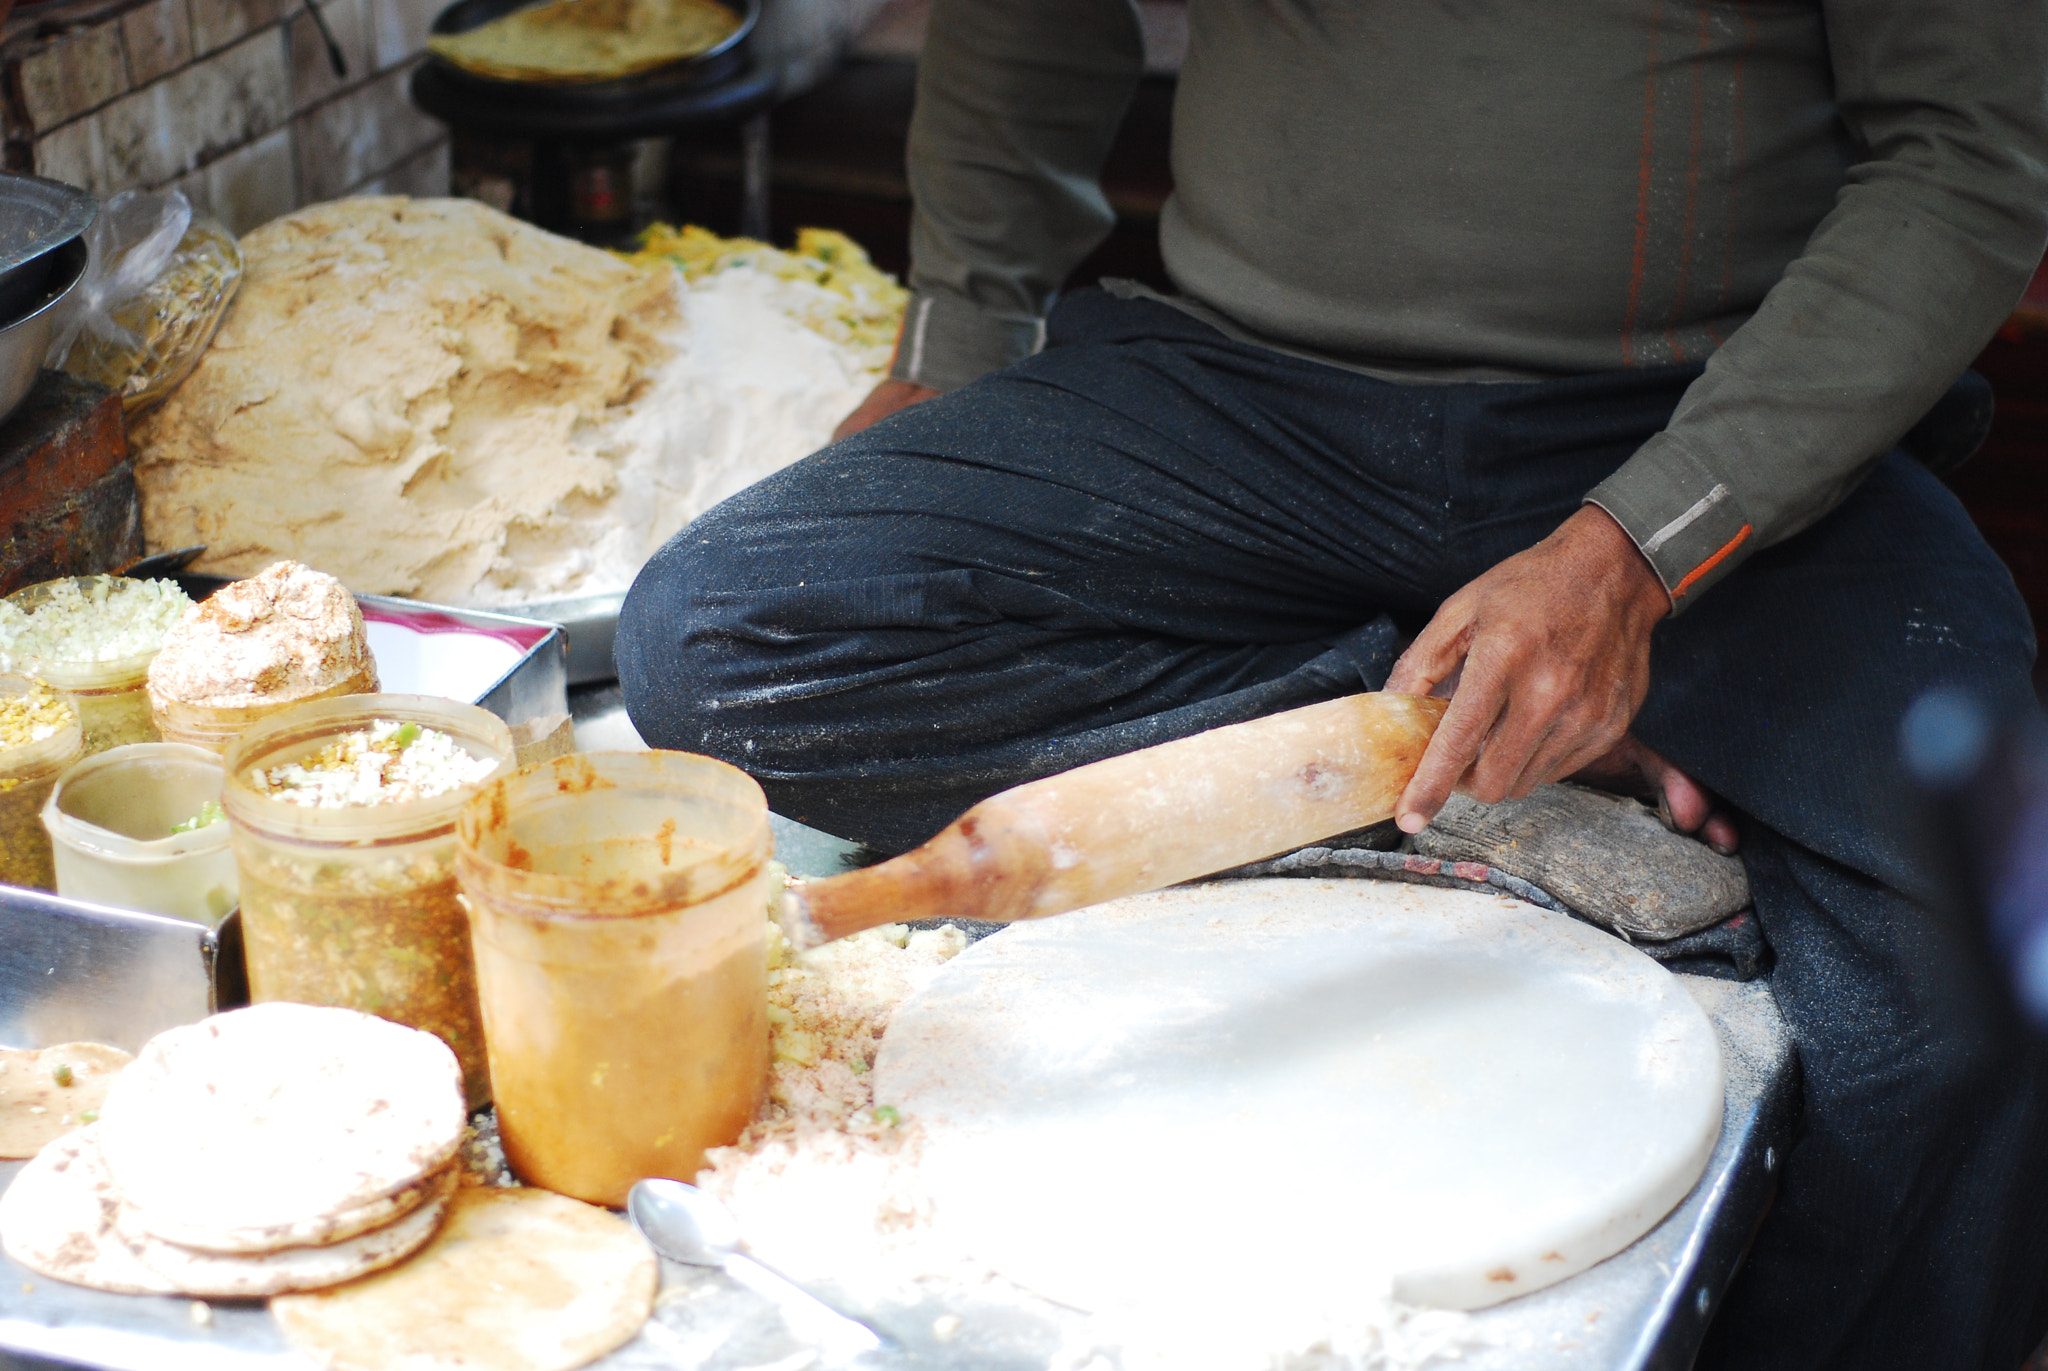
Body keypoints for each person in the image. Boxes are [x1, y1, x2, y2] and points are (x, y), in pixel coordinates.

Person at [617, 1, 2048, 1363]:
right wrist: (959, 341)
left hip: (1688, 415)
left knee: (1981, 939)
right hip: (1240, 395)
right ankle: (1428, 716)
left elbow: (1970, 154)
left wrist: (1634, 561)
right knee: (724, 642)